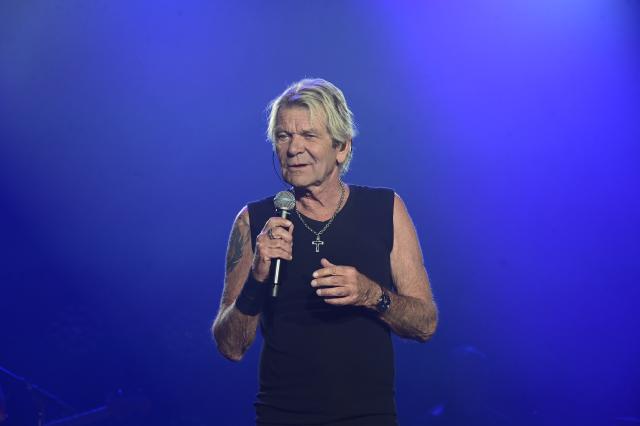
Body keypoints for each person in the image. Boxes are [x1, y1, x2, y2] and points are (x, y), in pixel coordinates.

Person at [212, 78, 438, 426]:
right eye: (283, 136)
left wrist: (371, 294)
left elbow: (425, 324)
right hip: (281, 417)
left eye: (309, 135)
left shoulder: (385, 209)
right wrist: (257, 277)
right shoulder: (254, 220)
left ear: (342, 147)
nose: (293, 148)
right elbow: (230, 347)